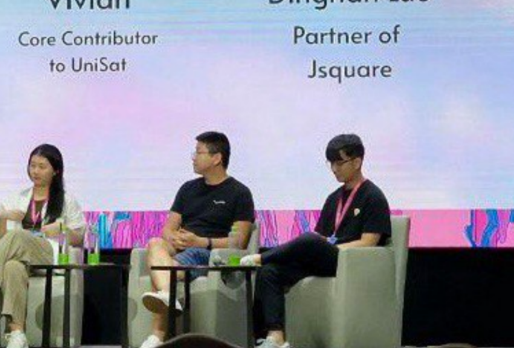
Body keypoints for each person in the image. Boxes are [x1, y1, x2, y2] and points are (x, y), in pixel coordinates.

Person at [243, 134, 392, 348]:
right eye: (331, 163)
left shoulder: (373, 196)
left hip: (352, 263)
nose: (334, 169)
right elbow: (322, 236)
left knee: (309, 241)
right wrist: (321, 246)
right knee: (270, 272)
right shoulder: (334, 198)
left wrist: (330, 247)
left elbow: (369, 242)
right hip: (325, 259)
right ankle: (275, 338)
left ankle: (261, 256)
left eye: (339, 162)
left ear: (357, 162)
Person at [0, 144, 85, 348]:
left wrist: (62, 228)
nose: (35, 171)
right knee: (12, 267)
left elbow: (79, 237)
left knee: (19, 235)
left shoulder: (67, 201)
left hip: (48, 255)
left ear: (56, 170)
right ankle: (17, 334)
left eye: (42, 167)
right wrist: (3, 217)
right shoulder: (16, 198)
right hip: (19, 257)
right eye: (32, 165)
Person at [137, 132, 256, 348]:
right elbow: (168, 229)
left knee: (165, 267)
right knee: (155, 243)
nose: (193, 157)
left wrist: (201, 242)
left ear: (216, 158)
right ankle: (167, 293)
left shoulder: (239, 193)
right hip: (181, 248)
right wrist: (175, 238)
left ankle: (157, 335)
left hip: (208, 253)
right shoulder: (187, 189)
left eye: (199, 152)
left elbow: (239, 241)